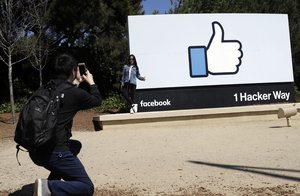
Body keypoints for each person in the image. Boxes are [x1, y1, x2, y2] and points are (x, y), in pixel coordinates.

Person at [30, 53, 101, 196]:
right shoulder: (74, 94)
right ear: (74, 71)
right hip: (56, 153)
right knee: (86, 187)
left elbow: (64, 94)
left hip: (35, 151)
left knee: (75, 145)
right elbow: (97, 100)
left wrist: (75, 84)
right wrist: (91, 82)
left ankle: (52, 181)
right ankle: (47, 187)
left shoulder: (43, 89)